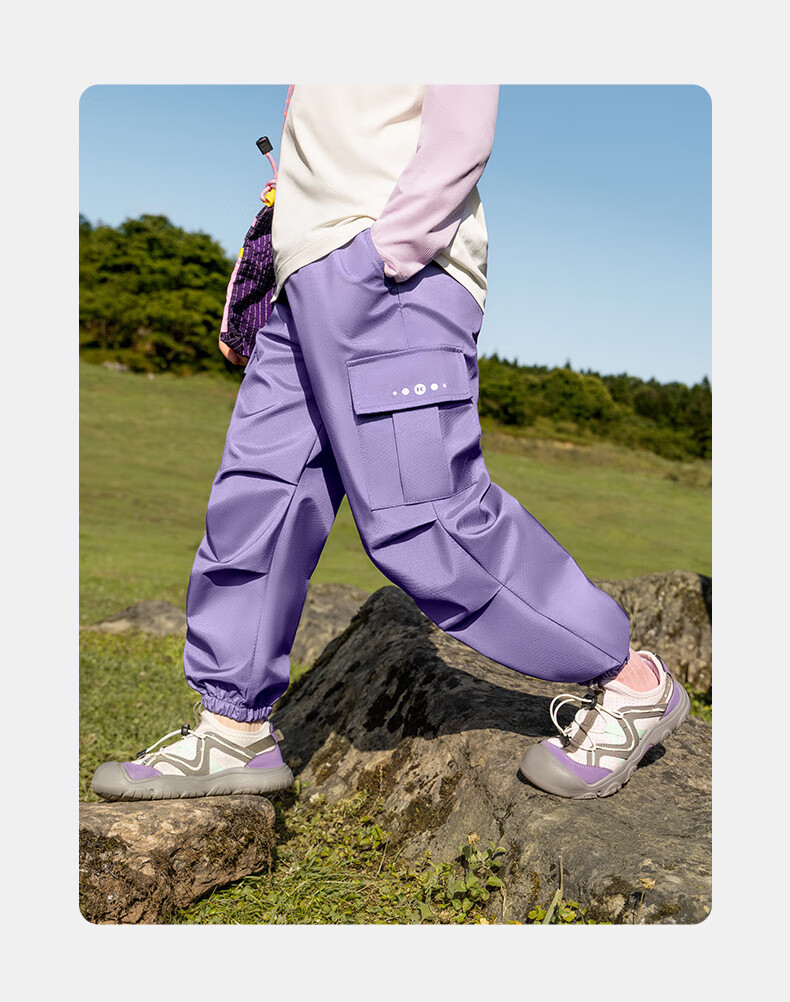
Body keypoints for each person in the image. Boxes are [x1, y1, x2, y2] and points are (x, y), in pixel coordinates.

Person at [92, 84, 689, 804]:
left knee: (425, 517)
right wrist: (274, 264)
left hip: (390, 278)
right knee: (258, 504)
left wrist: (386, 254)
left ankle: (630, 680)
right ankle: (233, 727)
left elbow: (462, 126)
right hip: (299, 285)